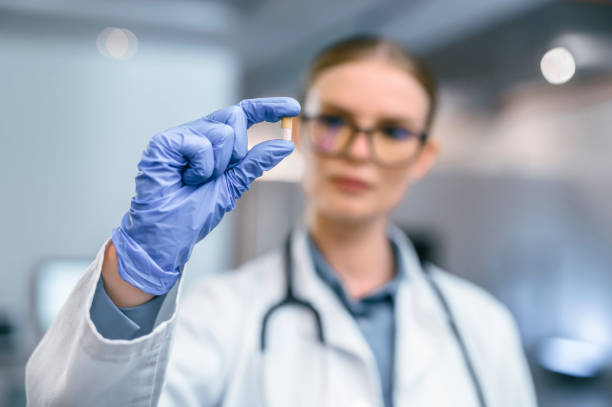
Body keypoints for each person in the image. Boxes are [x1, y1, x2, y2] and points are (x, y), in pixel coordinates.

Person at [25, 35, 536, 407]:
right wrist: (137, 276)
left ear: (424, 156)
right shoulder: (220, 315)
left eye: (393, 131)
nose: (358, 151)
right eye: (334, 121)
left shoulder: (482, 326)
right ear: (303, 134)